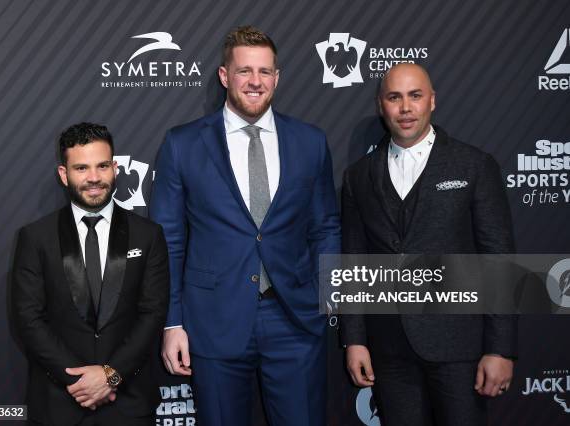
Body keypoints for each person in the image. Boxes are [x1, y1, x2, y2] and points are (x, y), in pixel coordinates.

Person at [149, 26, 340, 426]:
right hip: (213, 321)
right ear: (224, 76)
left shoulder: (310, 142)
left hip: (294, 319)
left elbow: (325, 227)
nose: (255, 82)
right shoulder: (182, 144)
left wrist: (325, 298)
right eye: (244, 71)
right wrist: (172, 321)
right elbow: (167, 240)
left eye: (265, 72)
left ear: (277, 77)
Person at [340, 63, 517, 426]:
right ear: (381, 105)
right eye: (395, 97)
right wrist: (354, 339)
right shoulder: (358, 175)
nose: (405, 107)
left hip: (459, 348)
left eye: (415, 96)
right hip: (389, 351)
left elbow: (498, 262)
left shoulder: (474, 166)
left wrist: (500, 348)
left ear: (432, 101)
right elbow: (354, 261)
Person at [12, 122, 169, 426]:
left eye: (102, 166)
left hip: (129, 402)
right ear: (64, 174)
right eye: (81, 168)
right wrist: (83, 382)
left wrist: (110, 375)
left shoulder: (148, 235)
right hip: (60, 400)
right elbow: (28, 318)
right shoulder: (36, 238)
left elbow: (153, 313)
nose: (94, 178)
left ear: (115, 168)